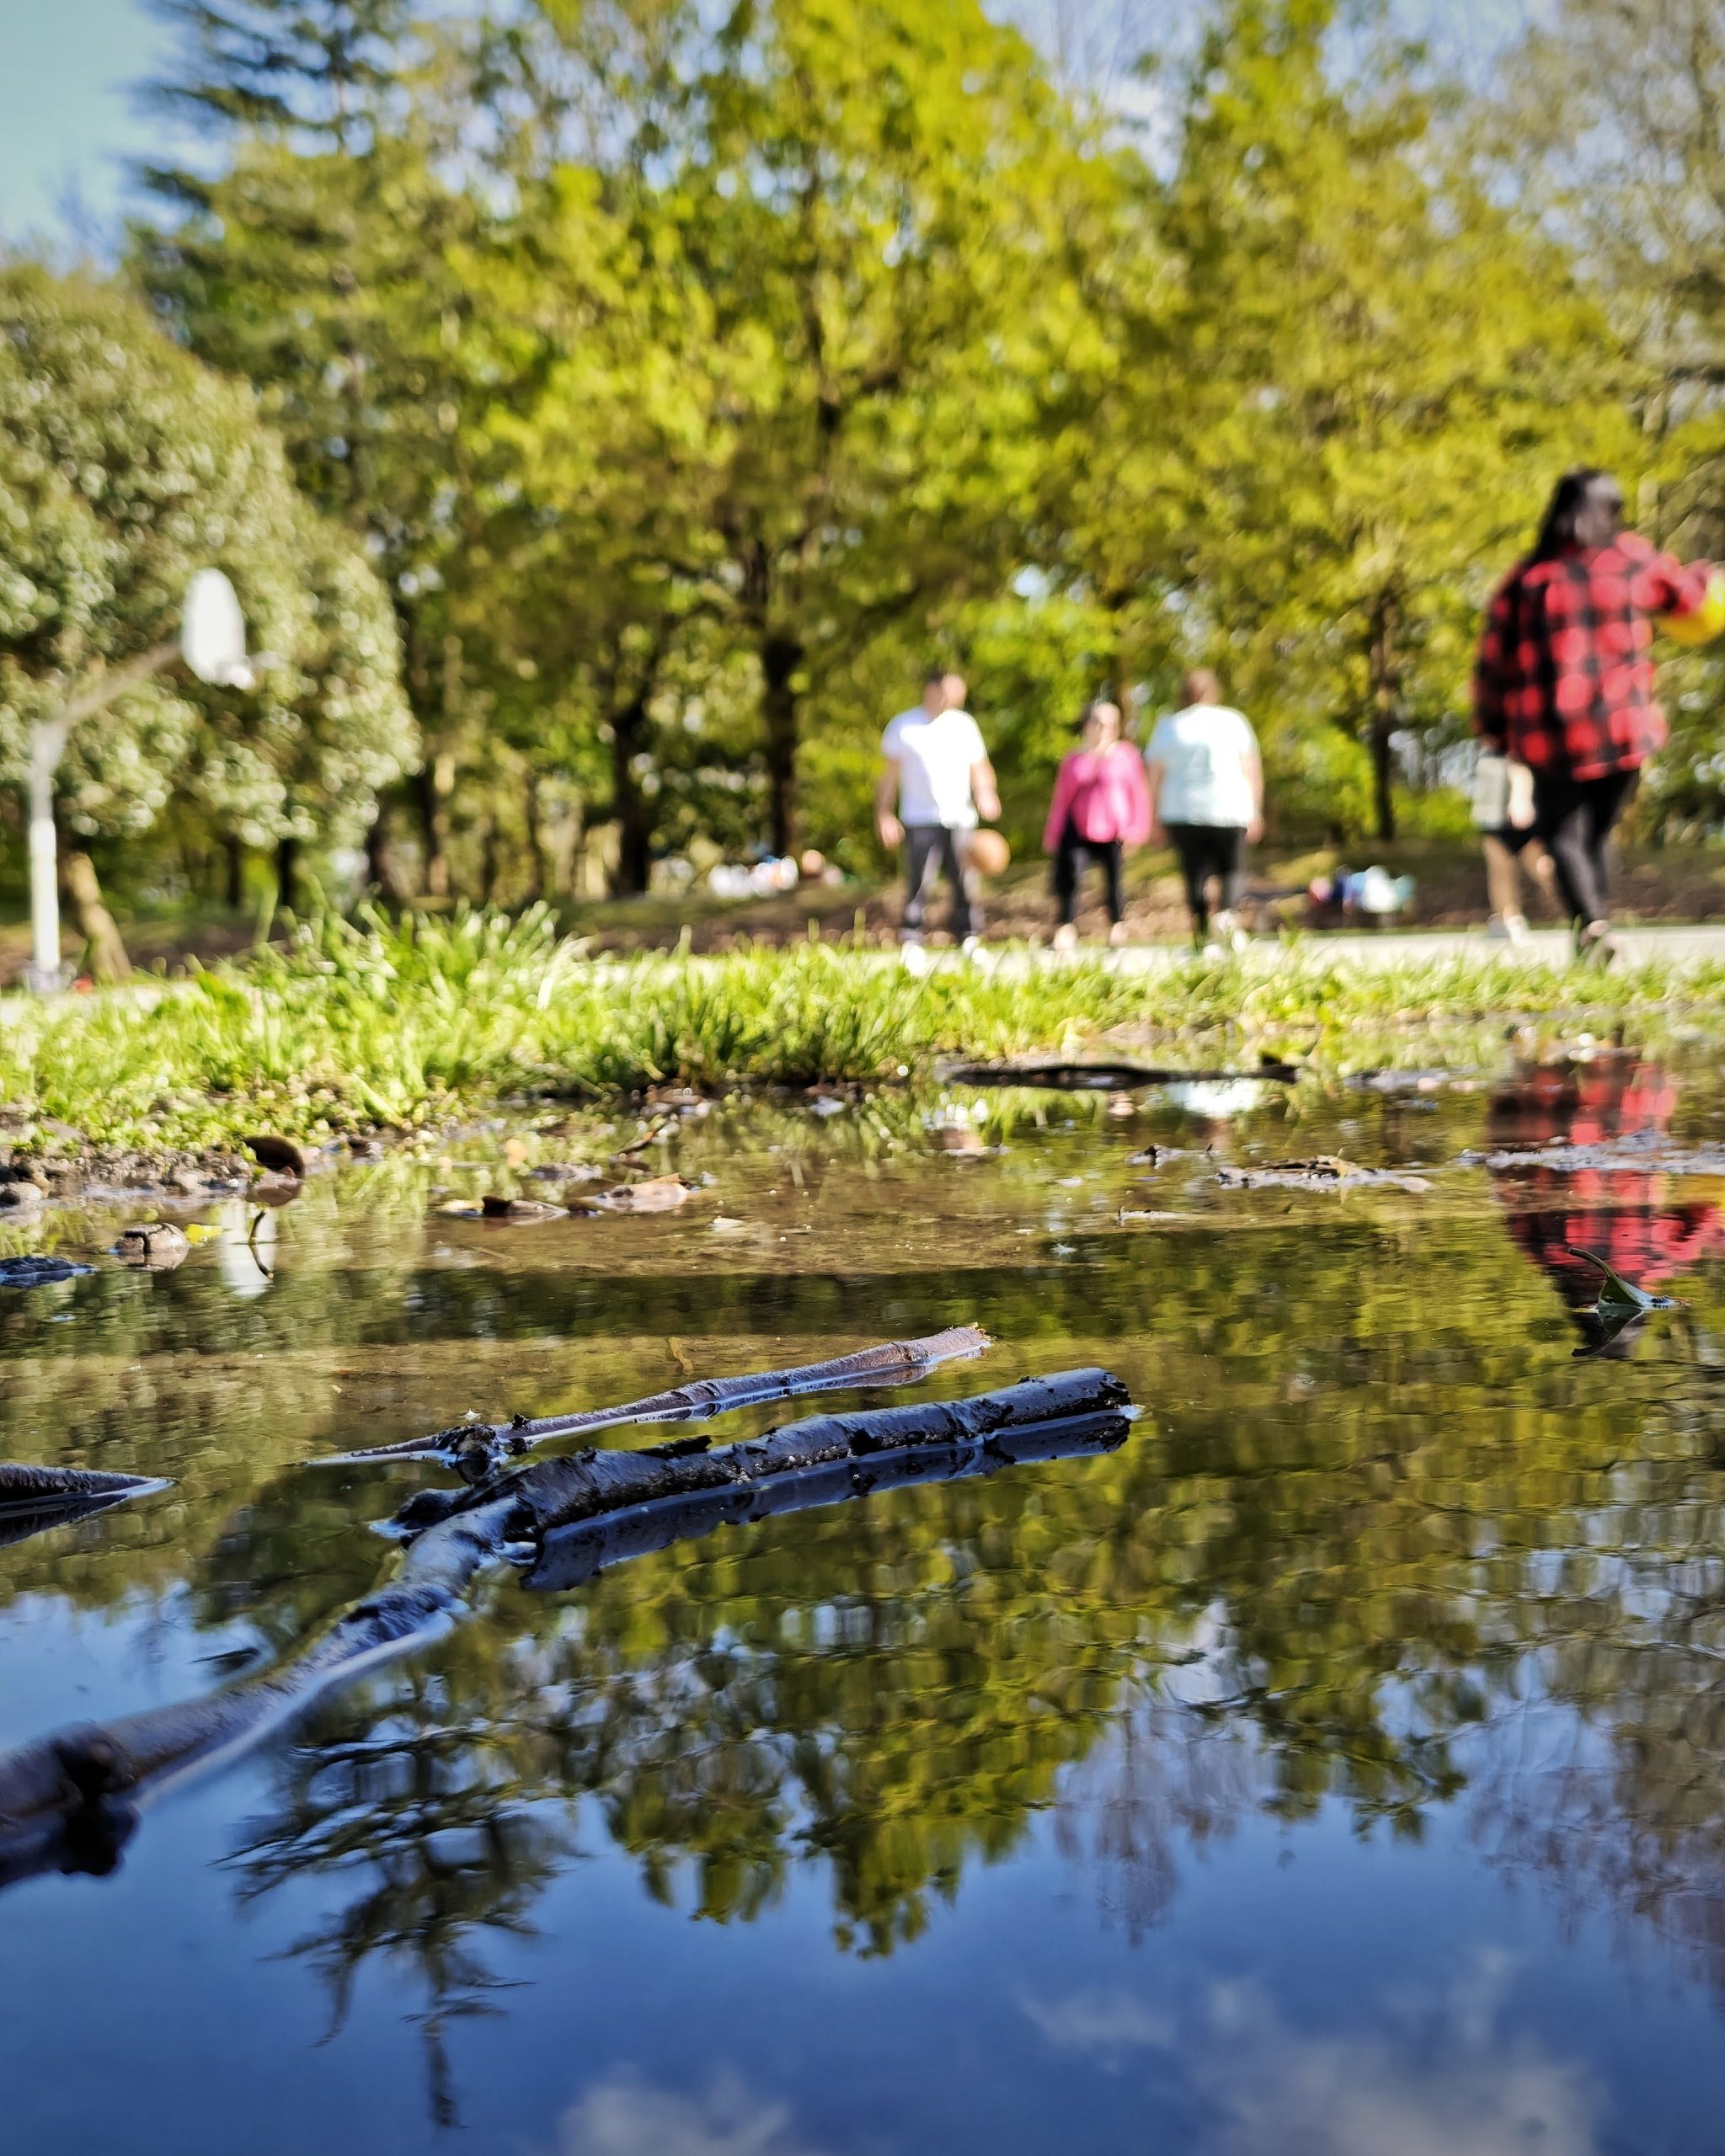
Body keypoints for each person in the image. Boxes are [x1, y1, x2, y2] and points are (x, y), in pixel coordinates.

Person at [1473, 467, 1713, 965]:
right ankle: (1595, 931)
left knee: (1565, 837)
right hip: (1621, 728)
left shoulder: (1527, 577)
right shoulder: (1630, 559)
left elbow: (1492, 662)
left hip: (1551, 732)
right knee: (1596, 835)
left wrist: (1493, 729)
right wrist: (1710, 575)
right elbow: (1690, 599)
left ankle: (1592, 928)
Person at [877, 669, 1000, 953]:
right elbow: (888, 776)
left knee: (965, 880)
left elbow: (980, 768)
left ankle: (969, 936)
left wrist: (986, 792)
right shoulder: (904, 726)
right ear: (931, 689)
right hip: (919, 818)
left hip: (960, 818)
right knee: (920, 880)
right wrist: (884, 814)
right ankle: (912, 938)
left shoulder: (964, 725)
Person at [1144, 668, 1263, 952]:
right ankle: (1226, 916)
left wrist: (1153, 816)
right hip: (1229, 808)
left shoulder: (1170, 726)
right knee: (1232, 869)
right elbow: (1251, 768)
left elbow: (1154, 775)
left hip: (1182, 811)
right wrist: (1255, 809)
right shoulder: (1233, 721)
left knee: (1194, 873)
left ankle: (1200, 935)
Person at [1043, 699, 1150, 949]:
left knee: (1114, 880)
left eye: (1111, 725)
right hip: (1078, 828)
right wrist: (1053, 833)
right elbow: (1062, 800)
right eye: (1099, 724)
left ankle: (1116, 927)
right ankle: (1066, 928)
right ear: (1088, 725)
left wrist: (1138, 829)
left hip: (1114, 829)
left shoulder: (1126, 756)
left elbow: (1138, 795)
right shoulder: (1074, 759)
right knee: (1070, 876)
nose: (1104, 730)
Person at [1471, 747, 1558, 944]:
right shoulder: (1489, 749)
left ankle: (1578, 905)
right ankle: (1508, 920)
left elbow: (1519, 768)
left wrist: (1520, 799)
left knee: (1541, 867)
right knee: (1500, 870)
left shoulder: (1513, 736)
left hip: (1517, 814)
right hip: (1492, 817)